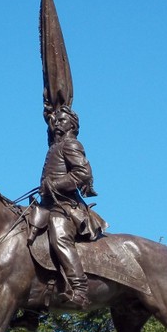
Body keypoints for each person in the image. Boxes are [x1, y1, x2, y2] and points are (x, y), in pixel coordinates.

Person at [33, 106, 105, 308]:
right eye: (56, 122)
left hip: (66, 207)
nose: (57, 124)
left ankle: (79, 289)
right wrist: (50, 112)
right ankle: (32, 306)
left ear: (72, 126)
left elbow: (83, 174)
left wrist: (53, 185)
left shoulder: (71, 144)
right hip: (47, 205)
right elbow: (50, 122)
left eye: (62, 121)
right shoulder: (54, 145)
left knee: (59, 234)